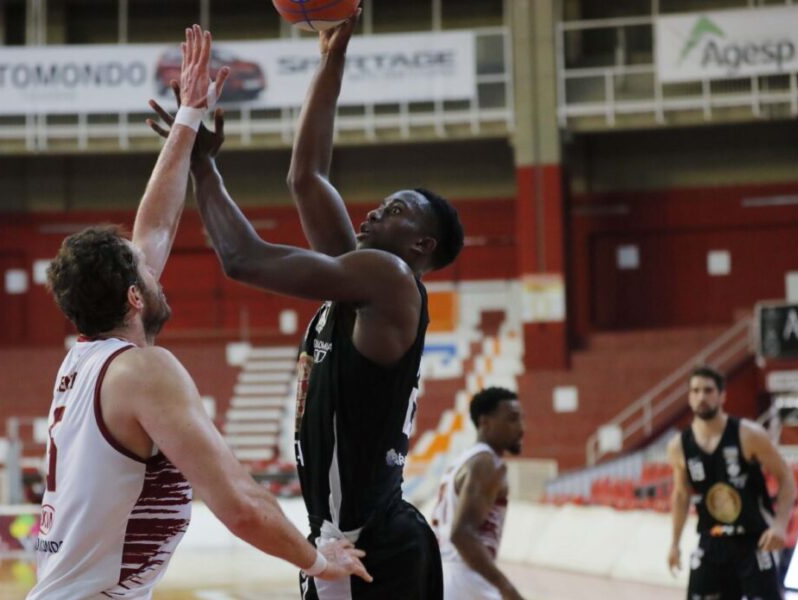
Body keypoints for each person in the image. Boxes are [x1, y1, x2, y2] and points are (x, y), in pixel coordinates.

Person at [28, 26, 370, 600]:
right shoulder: (144, 370)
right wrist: (318, 559)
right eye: (143, 272)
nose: (153, 266)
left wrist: (187, 118)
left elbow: (154, 228)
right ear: (134, 298)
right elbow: (237, 502)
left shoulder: (86, 362)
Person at [150, 10, 464, 597]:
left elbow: (242, 258)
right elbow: (306, 177)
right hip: (350, 536)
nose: (372, 212)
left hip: (366, 543)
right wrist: (331, 54)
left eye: (395, 212)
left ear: (422, 246)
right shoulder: (362, 281)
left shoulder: (390, 278)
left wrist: (202, 165)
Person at [667, 366, 795, 600]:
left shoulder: (749, 434)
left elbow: (786, 478)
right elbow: (681, 495)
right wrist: (674, 543)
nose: (701, 397)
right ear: (688, 397)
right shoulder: (679, 446)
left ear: (722, 395)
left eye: (708, 390)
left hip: (753, 540)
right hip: (711, 541)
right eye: (695, 391)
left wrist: (780, 525)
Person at [431, 388, 525, 600]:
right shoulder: (487, 463)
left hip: (444, 576)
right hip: (467, 579)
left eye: (521, 419)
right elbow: (462, 534)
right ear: (485, 422)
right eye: (512, 419)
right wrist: (507, 588)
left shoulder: (461, 461)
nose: (521, 428)